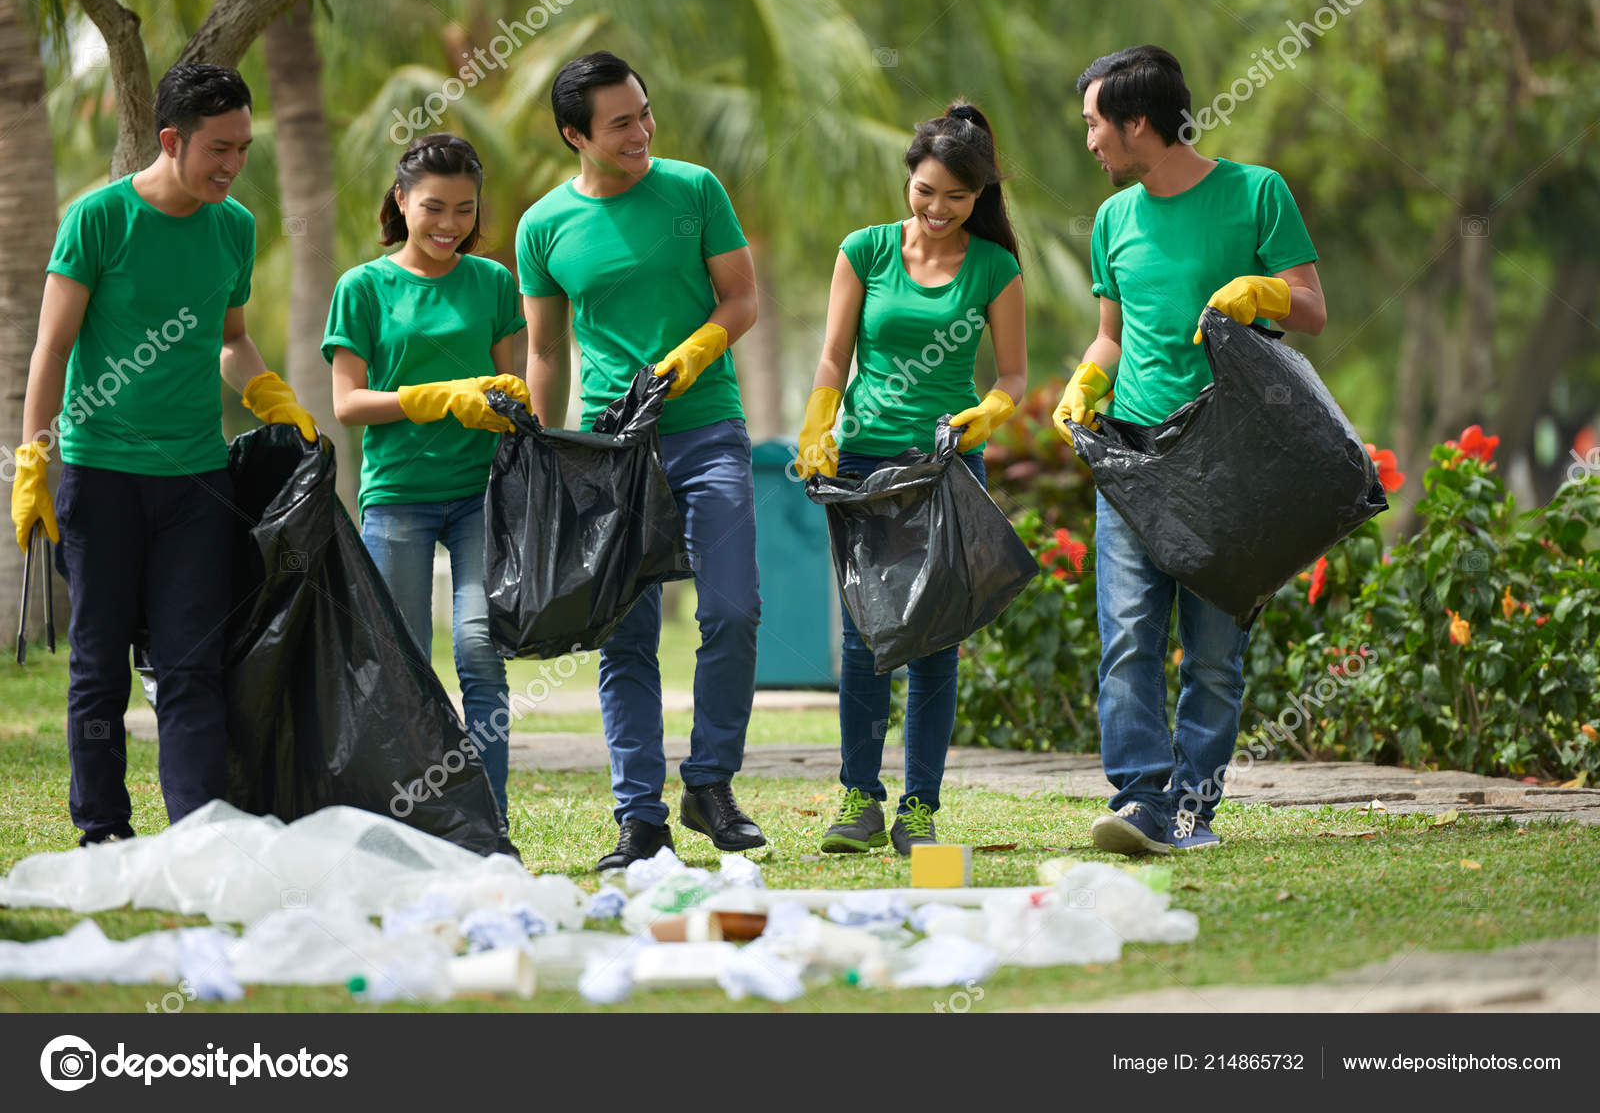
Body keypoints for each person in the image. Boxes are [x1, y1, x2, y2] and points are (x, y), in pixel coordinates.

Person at [9, 63, 318, 846]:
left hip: (195, 484)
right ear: (172, 139)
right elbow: (52, 349)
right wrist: (33, 459)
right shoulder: (99, 220)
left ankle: (200, 831)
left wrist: (270, 396)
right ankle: (104, 830)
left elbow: (231, 338)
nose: (232, 165)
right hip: (99, 474)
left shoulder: (234, 227)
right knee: (100, 667)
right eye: (218, 148)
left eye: (243, 149)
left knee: (190, 667)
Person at [1054, 45, 1326, 854]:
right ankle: (1142, 800)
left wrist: (1264, 290)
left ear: (1138, 123)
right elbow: (1111, 337)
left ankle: (1191, 811)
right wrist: (1086, 384)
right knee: (1129, 635)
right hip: (1133, 456)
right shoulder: (1113, 219)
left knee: (1211, 652)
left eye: (1096, 125)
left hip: (1230, 458)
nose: (1092, 143)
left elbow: (1311, 307)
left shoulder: (1256, 193)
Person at [515, 51, 765, 869]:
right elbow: (547, 352)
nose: (641, 131)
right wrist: (543, 460)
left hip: (705, 428)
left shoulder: (695, 192)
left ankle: (711, 782)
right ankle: (640, 817)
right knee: (626, 635)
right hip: (609, 448)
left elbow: (741, 298)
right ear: (574, 135)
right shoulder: (544, 227)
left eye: (644, 113)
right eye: (620, 122)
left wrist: (695, 354)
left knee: (732, 608)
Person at [795, 102, 1026, 855]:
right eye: (926, 191)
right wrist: (819, 420)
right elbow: (834, 357)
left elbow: (1014, 378)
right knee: (866, 637)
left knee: (935, 641)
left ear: (980, 197)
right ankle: (859, 799)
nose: (937, 208)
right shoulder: (864, 251)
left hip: (947, 467)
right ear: (910, 180)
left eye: (956, 197)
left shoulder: (995, 267)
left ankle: (919, 809)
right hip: (864, 467)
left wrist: (981, 418)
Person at [322, 133, 529, 818]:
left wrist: (504, 405)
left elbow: (513, 388)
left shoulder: (494, 283)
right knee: (405, 668)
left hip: (480, 497)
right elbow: (347, 404)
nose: (449, 225)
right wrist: (434, 395)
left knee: (478, 649)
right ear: (402, 200)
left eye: (465, 210)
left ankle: (488, 818)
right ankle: (411, 818)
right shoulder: (363, 288)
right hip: (398, 497)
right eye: (434, 207)